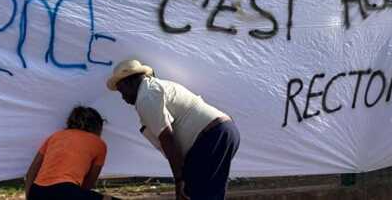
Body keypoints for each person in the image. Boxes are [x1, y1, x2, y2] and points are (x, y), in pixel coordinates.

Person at [107, 59, 240, 200]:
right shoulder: (155, 87)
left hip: (211, 138)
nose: (122, 97)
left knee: (194, 194)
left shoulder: (146, 97)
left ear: (130, 83)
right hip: (223, 131)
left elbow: (167, 138)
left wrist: (179, 179)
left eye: (122, 91)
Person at [25, 106, 117, 200]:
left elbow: (32, 170)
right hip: (66, 190)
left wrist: (29, 196)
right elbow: (89, 182)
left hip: (36, 191)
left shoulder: (55, 136)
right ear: (97, 127)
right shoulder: (99, 143)